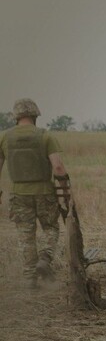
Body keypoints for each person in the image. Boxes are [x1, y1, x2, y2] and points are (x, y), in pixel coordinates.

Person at [0, 98, 70, 289]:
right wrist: (65, 193)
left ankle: (30, 279)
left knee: (26, 235)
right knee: (51, 228)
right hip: (44, 193)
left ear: (16, 117)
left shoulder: (5, 138)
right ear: (35, 115)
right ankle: (45, 258)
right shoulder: (45, 136)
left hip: (18, 194)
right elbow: (58, 167)